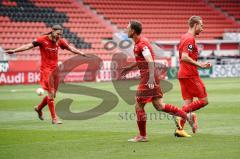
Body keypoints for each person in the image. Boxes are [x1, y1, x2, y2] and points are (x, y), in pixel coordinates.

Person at [121, 20, 195, 142]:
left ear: (133, 31)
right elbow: (142, 61)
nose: (125, 30)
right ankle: (186, 116)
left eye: (127, 28)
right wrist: (129, 68)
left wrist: (150, 78)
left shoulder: (142, 44)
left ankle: (142, 136)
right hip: (151, 76)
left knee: (139, 105)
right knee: (159, 105)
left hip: (148, 77)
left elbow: (150, 61)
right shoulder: (138, 43)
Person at [5, 25, 87, 124]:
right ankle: (54, 118)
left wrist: (81, 53)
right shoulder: (42, 40)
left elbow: (70, 48)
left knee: (53, 95)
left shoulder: (60, 41)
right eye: (57, 34)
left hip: (55, 70)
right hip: (46, 70)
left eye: (60, 34)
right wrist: (14, 50)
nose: (58, 36)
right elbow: (28, 46)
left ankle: (39, 108)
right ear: (52, 31)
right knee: (51, 93)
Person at [174, 16, 212, 137]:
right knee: (204, 101)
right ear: (195, 25)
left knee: (188, 103)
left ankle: (180, 130)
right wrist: (200, 65)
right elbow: (184, 57)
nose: (202, 28)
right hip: (190, 74)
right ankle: (180, 113)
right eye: (201, 26)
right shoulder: (190, 39)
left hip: (183, 74)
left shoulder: (184, 37)